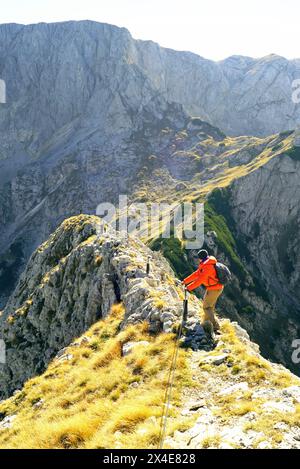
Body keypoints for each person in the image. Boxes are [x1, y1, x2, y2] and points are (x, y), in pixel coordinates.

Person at [182, 249, 223, 332]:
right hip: (213, 288)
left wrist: (189, 287)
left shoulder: (207, 267)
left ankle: (215, 327)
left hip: (215, 289)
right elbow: (197, 274)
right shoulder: (206, 264)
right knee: (209, 306)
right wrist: (185, 281)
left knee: (206, 307)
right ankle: (208, 322)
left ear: (200, 258)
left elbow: (200, 280)